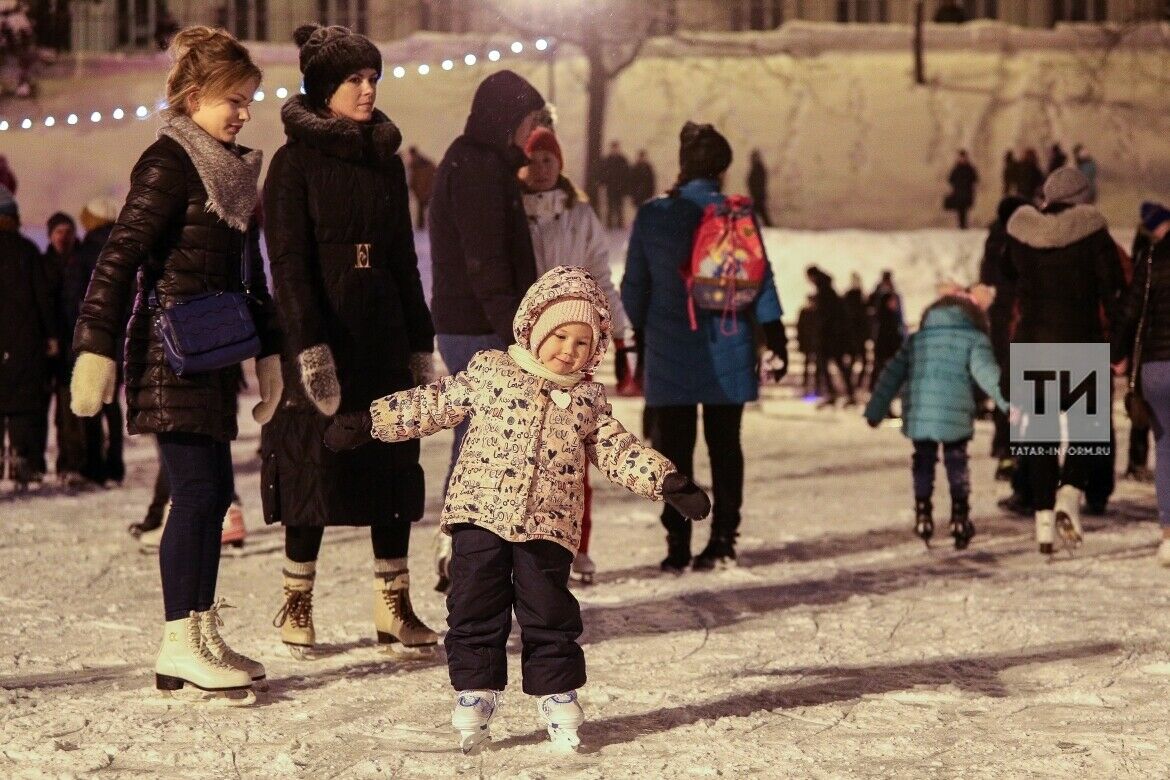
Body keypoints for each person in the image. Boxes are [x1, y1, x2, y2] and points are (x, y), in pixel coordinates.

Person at [323, 266, 711, 753]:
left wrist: (666, 480)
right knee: (473, 604)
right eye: (560, 335)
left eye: (582, 343)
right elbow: (433, 403)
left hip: (548, 525)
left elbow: (618, 449)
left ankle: (557, 694)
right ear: (534, 328)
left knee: (548, 610)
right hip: (479, 514)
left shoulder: (587, 400)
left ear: (595, 351)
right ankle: (475, 690)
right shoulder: (492, 373)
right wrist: (370, 421)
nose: (568, 350)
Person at [71, 26, 281, 699]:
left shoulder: (231, 175)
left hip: (215, 351)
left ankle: (196, 632)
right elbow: (119, 255)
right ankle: (177, 638)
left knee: (215, 495)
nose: (243, 112)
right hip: (172, 351)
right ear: (194, 97)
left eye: (248, 99)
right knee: (194, 497)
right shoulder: (167, 162)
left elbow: (252, 273)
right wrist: (95, 346)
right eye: (232, 99)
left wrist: (271, 352)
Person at [262, 24, 439, 660]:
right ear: (324, 88)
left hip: (382, 337)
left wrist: (420, 341)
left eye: (373, 80)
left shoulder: (385, 164)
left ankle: (392, 607)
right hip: (322, 339)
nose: (368, 91)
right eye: (355, 81)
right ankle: (297, 602)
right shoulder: (291, 164)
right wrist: (309, 347)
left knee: (391, 465)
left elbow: (403, 260)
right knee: (315, 464)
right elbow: (287, 262)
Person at [622, 121, 787, 571]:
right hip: (728, 342)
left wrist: (627, 335)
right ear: (722, 168)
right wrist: (775, 333)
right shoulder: (735, 215)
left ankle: (677, 543)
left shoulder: (654, 214)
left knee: (673, 452)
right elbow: (761, 276)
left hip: (670, 345)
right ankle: (723, 540)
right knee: (725, 446)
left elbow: (635, 284)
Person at [428, 68, 544, 590]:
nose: (532, 133)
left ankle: (469, 553)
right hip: (479, 326)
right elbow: (485, 262)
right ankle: (461, 553)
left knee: (484, 439)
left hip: (476, 323)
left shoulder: (483, 162)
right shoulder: (477, 168)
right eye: (528, 121)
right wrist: (518, 334)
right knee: (483, 442)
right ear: (505, 120)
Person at [520, 126, 633, 584]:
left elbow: (601, 276)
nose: (542, 167)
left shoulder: (580, 216)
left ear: (560, 164)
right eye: (534, 159)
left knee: (571, 450)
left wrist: (621, 334)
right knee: (524, 450)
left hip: (574, 346)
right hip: (526, 349)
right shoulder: (510, 211)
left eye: (549, 159)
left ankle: (576, 543)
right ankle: (525, 542)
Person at [1003, 167, 1123, 555]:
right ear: (1081, 198)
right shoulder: (1094, 235)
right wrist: (1118, 348)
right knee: (1088, 428)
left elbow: (1006, 278)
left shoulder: (1022, 235)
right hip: (1081, 340)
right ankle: (1069, 493)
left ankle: (1041, 522)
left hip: (1034, 343)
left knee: (1039, 435)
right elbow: (1114, 293)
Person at [866, 284, 1005, 549]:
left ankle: (923, 514)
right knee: (956, 462)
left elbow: (890, 375)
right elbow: (989, 376)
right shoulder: (974, 339)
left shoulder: (917, 340)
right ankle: (960, 517)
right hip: (955, 414)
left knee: (923, 461)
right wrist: (1011, 405)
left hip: (921, 413)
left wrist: (876, 410)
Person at [1111, 202, 1170, 564]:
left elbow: (1130, 311)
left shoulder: (1149, 259)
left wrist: (1117, 353)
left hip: (1156, 367)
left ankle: (1169, 535)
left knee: (1165, 448)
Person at [0, 184, 55, 491]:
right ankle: (24, 462)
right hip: (25, 343)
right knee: (23, 405)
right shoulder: (27, 251)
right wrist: (51, 335)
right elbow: (42, 298)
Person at [74, 198, 126, 487]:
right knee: (111, 402)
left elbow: (74, 296)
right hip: (120, 337)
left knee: (91, 400)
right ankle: (116, 465)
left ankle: (94, 465)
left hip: (94, 336)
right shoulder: (125, 245)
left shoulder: (84, 252)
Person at [979, 195, 1028, 481]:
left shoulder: (993, 241)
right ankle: (1021, 456)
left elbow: (987, 279)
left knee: (1005, 387)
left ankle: (1005, 447)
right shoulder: (1022, 240)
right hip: (1020, 321)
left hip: (1001, 322)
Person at [42, 211, 89, 487]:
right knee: (52, 410)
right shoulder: (44, 264)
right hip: (51, 348)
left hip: (76, 346)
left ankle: (73, 463)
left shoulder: (81, 263)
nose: (63, 236)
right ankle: (57, 461)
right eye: (58, 231)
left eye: (67, 231)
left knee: (72, 411)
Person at [806, 266, 855, 407]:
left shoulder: (824, 292)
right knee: (837, 365)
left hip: (829, 337)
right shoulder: (827, 290)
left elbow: (826, 317)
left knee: (828, 365)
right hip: (833, 336)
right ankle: (844, 393)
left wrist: (821, 332)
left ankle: (834, 394)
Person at [868, 270, 905, 393]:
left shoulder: (886, 295)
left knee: (883, 364)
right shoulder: (884, 296)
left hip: (888, 336)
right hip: (887, 337)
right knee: (882, 364)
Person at [842, 272, 869, 387]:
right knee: (861, 361)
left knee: (855, 361)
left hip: (854, 335)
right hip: (856, 335)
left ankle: (852, 384)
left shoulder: (850, 297)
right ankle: (854, 384)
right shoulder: (861, 297)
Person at [599, 140, 630, 229]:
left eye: (616, 148)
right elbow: (603, 172)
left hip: (620, 187)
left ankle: (619, 224)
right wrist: (603, 183)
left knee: (620, 206)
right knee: (610, 206)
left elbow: (626, 174)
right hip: (611, 187)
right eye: (613, 148)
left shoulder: (623, 160)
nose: (615, 150)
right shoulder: (608, 160)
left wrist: (626, 187)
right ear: (611, 149)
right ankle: (609, 224)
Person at [946, 149, 979, 229]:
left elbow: (975, 178)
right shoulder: (957, 168)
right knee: (960, 209)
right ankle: (962, 225)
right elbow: (950, 179)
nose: (962, 159)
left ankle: (963, 224)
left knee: (964, 208)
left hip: (967, 192)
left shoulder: (969, 168)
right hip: (959, 192)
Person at [406, 145, 436, 230]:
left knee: (429, 211)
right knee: (422, 211)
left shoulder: (427, 165)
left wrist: (428, 190)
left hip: (426, 192)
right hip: (421, 193)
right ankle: (421, 228)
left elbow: (432, 178)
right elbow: (413, 181)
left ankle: (427, 227)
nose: (411, 157)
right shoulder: (413, 166)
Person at [796, 294, 821, 396]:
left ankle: (816, 383)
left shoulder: (809, 312)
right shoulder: (807, 312)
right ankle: (807, 382)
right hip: (809, 341)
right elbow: (800, 328)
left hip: (813, 342)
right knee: (808, 363)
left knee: (816, 364)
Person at [747, 149, 772, 227]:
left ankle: (749, 225)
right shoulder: (758, 167)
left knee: (757, 211)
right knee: (759, 212)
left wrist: (757, 192)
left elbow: (758, 182)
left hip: (758, 195)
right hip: (757, 194)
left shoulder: (758, 168)